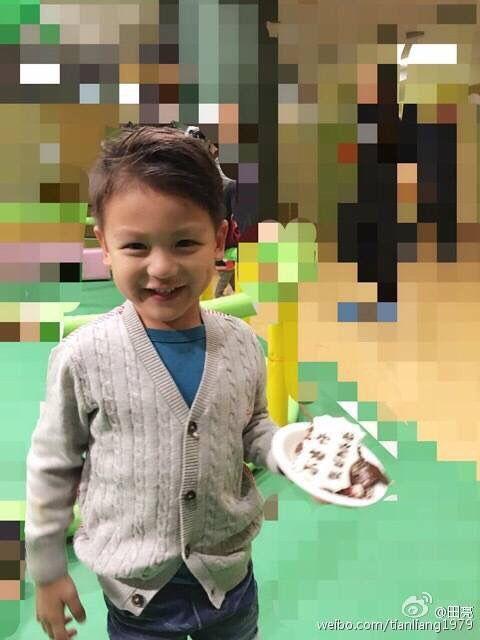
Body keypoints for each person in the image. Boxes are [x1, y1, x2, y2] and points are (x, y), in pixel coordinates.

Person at [25, 124, 284, 640]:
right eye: (136, 246)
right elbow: (54, 465)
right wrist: (48, 569)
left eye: (185, 242)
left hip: (230, 583)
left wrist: (292, 453)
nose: (161, 268)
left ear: (220, 240)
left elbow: (253, 424)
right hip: (136, 597)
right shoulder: (84, 358)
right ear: (104, 244)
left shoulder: (240, 343)